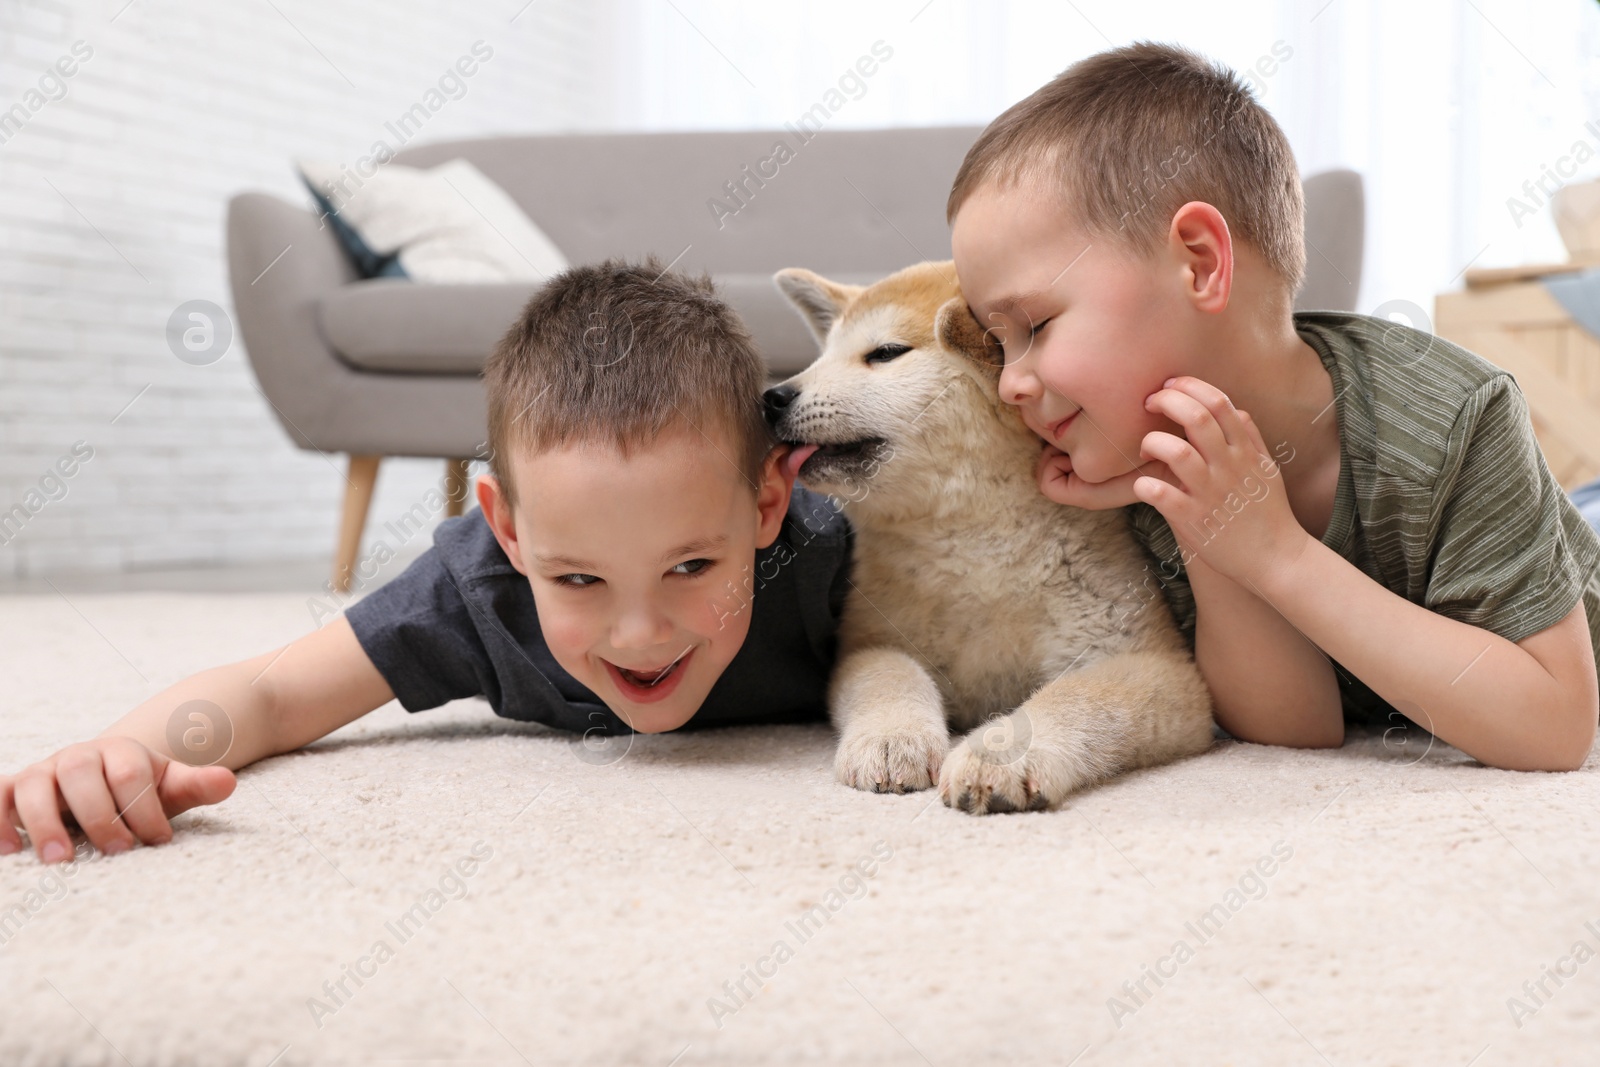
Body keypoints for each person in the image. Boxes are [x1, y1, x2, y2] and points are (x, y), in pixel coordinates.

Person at [0, 258, 850, 864]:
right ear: (508, 529)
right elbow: (272, 691)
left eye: (692, 567)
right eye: (579, 579)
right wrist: (113, 756)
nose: (639, 633)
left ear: (768, 504)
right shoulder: (475, 586)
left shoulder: (839, 551)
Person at [948, 42, 1600, 771]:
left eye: (1033, 327)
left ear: (1199, 261)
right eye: (998, 344)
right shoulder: (1147, 465)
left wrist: (1279, 553)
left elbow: (1557, 727)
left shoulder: (1455, 417)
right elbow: (1296, 732)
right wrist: (1209, 526)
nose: (1010, 381)